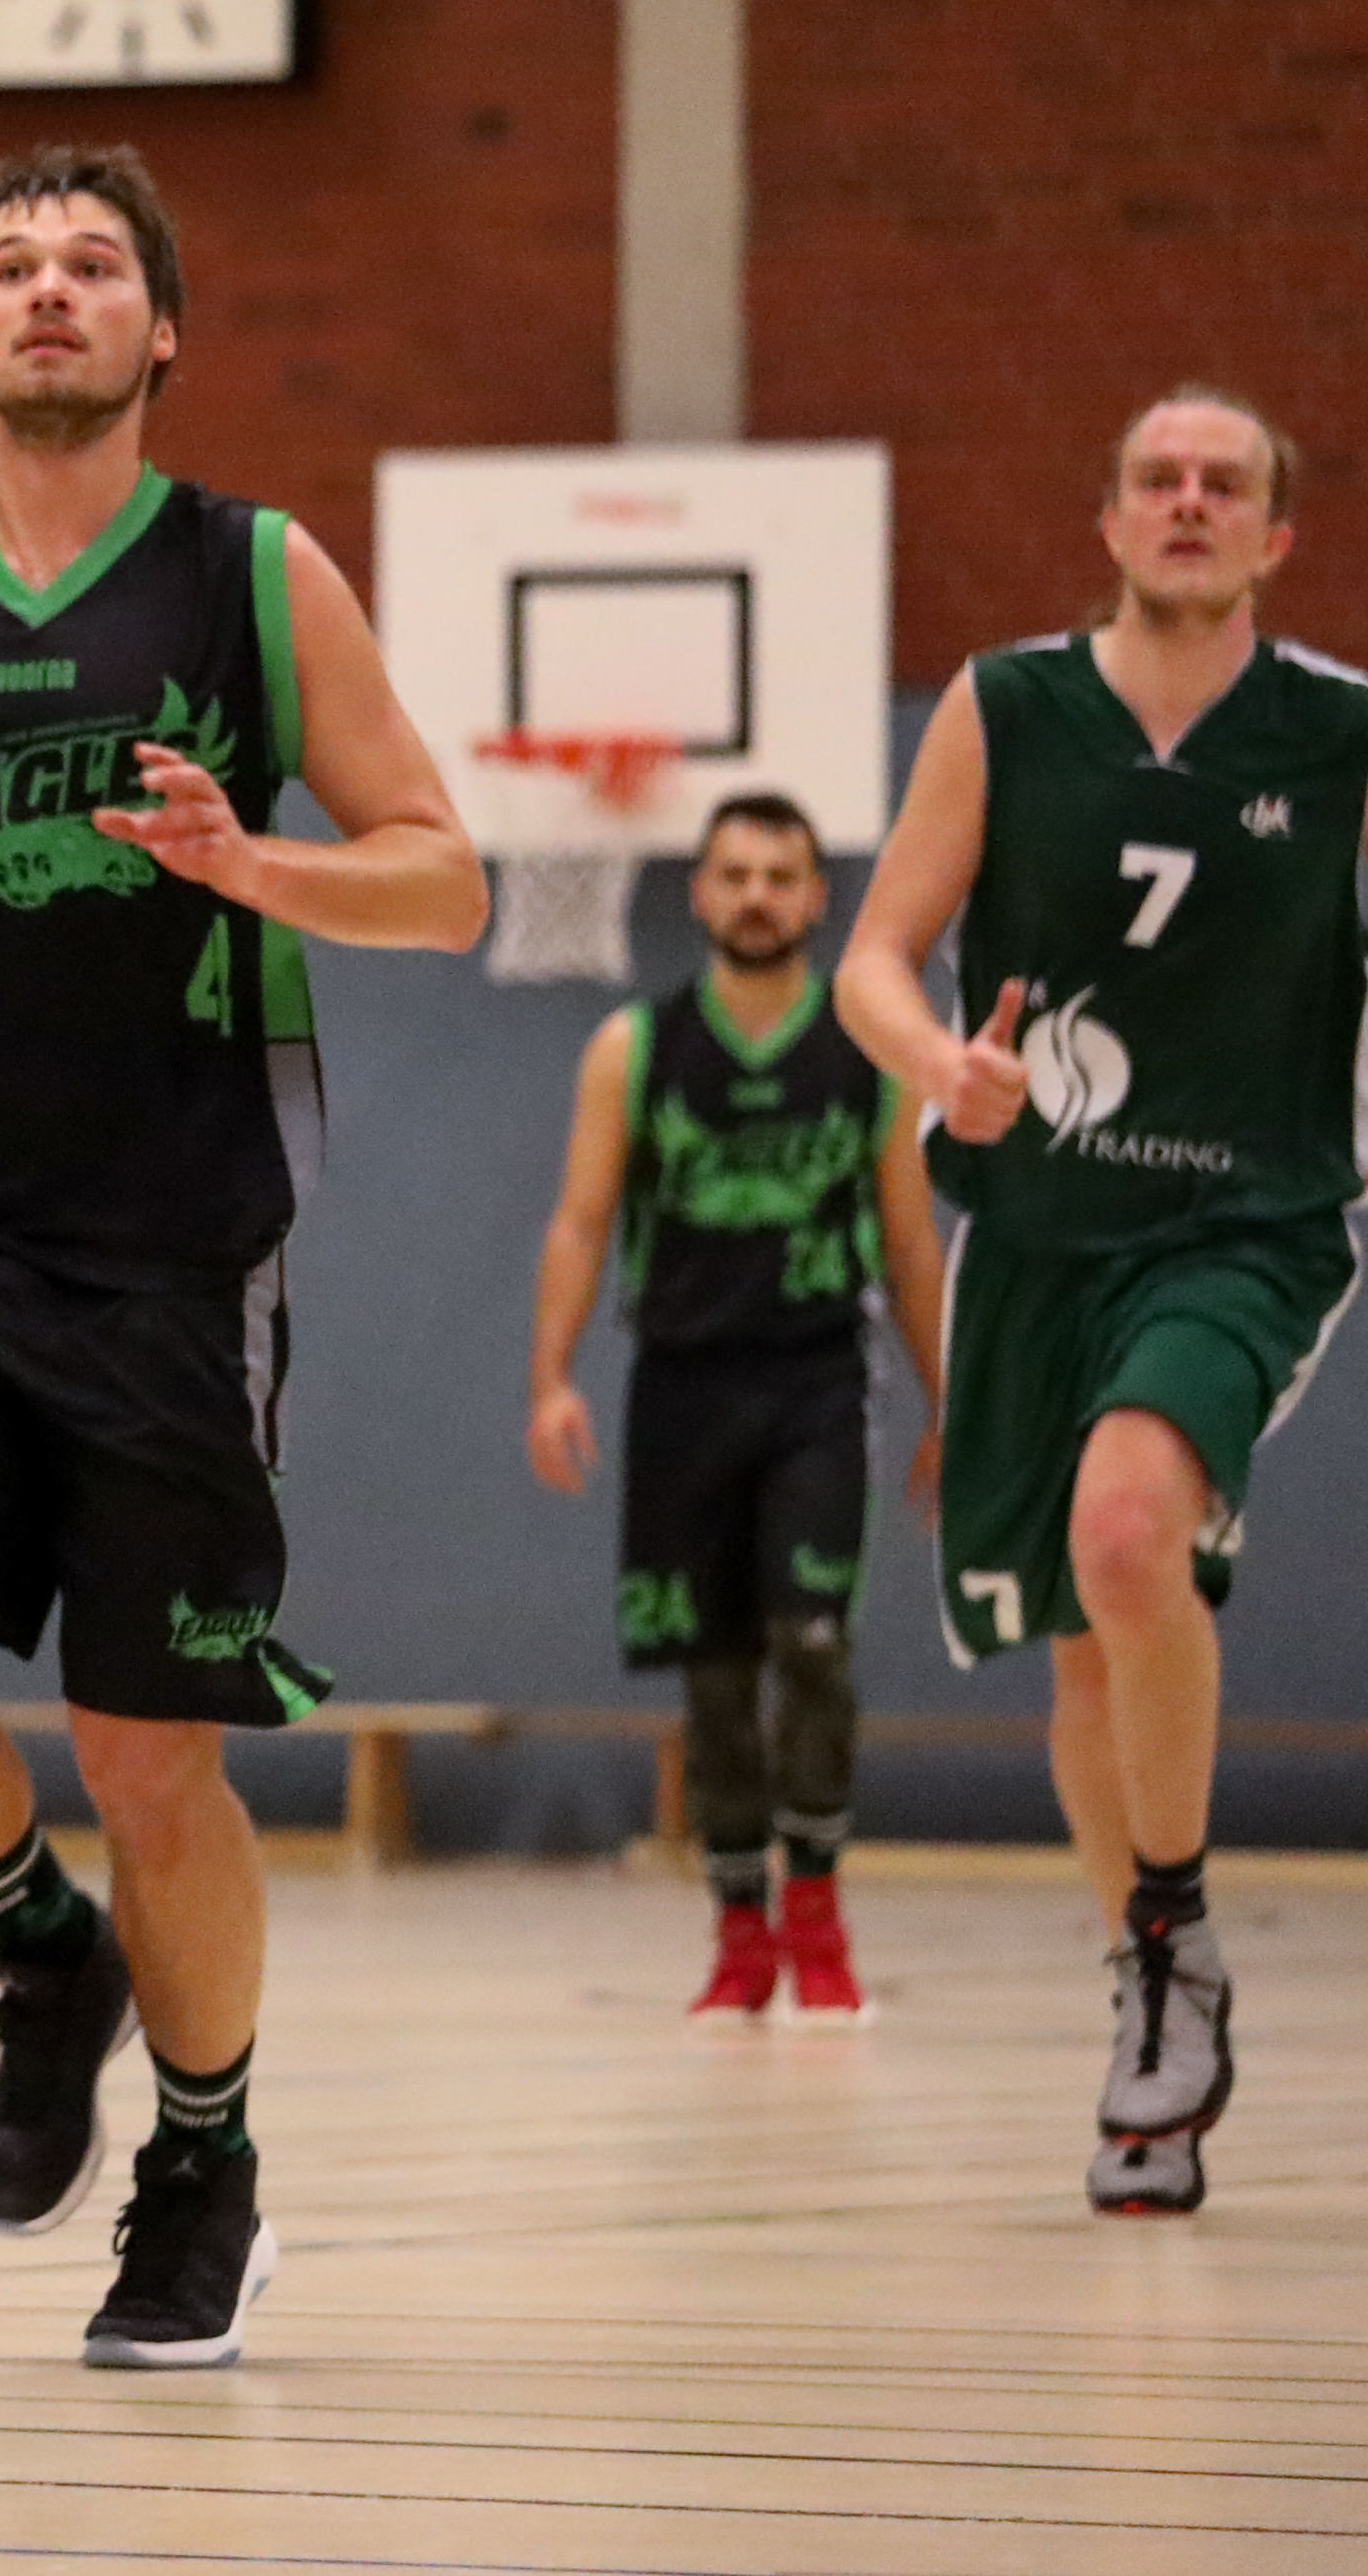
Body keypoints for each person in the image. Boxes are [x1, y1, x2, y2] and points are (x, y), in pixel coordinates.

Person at [0, 143, 482, 2368]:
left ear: (161, 332)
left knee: (149, 1756)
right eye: (14, 265)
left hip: (168, 1251)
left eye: (97, 265)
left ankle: (204, 2162)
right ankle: (46, 1948)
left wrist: (256, 868)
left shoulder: (253, 576)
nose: (52, 290)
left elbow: (443, 877)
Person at [837, 386, 1368, 2214]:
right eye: (1158, 479)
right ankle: (1146, 2012)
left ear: (1275, 535)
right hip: (1039, 1228)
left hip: (1246, 1222)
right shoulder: (1001, 707)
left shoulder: (1344, 729)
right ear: (1107, 522)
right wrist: (936, 1061)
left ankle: (1173, 1936)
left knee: (1126, 1530)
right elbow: (875, 953)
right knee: (1085, 1643)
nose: (1190, 501)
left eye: (1226, 483)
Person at [527, 794, 945, 2020]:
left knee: (812, 1644)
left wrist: (949, 1405)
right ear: (699, 891)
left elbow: (909, 1243)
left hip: (816, 1384)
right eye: (734, 873)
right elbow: (579, 1223)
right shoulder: (630, 1048)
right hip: (679, 1390)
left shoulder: (869, 1053)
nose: (756, 894)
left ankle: (814, 1911)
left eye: (779, 874)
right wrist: (548, 1377)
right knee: (710, 1677)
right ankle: (736, 1930)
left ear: (816, 896)